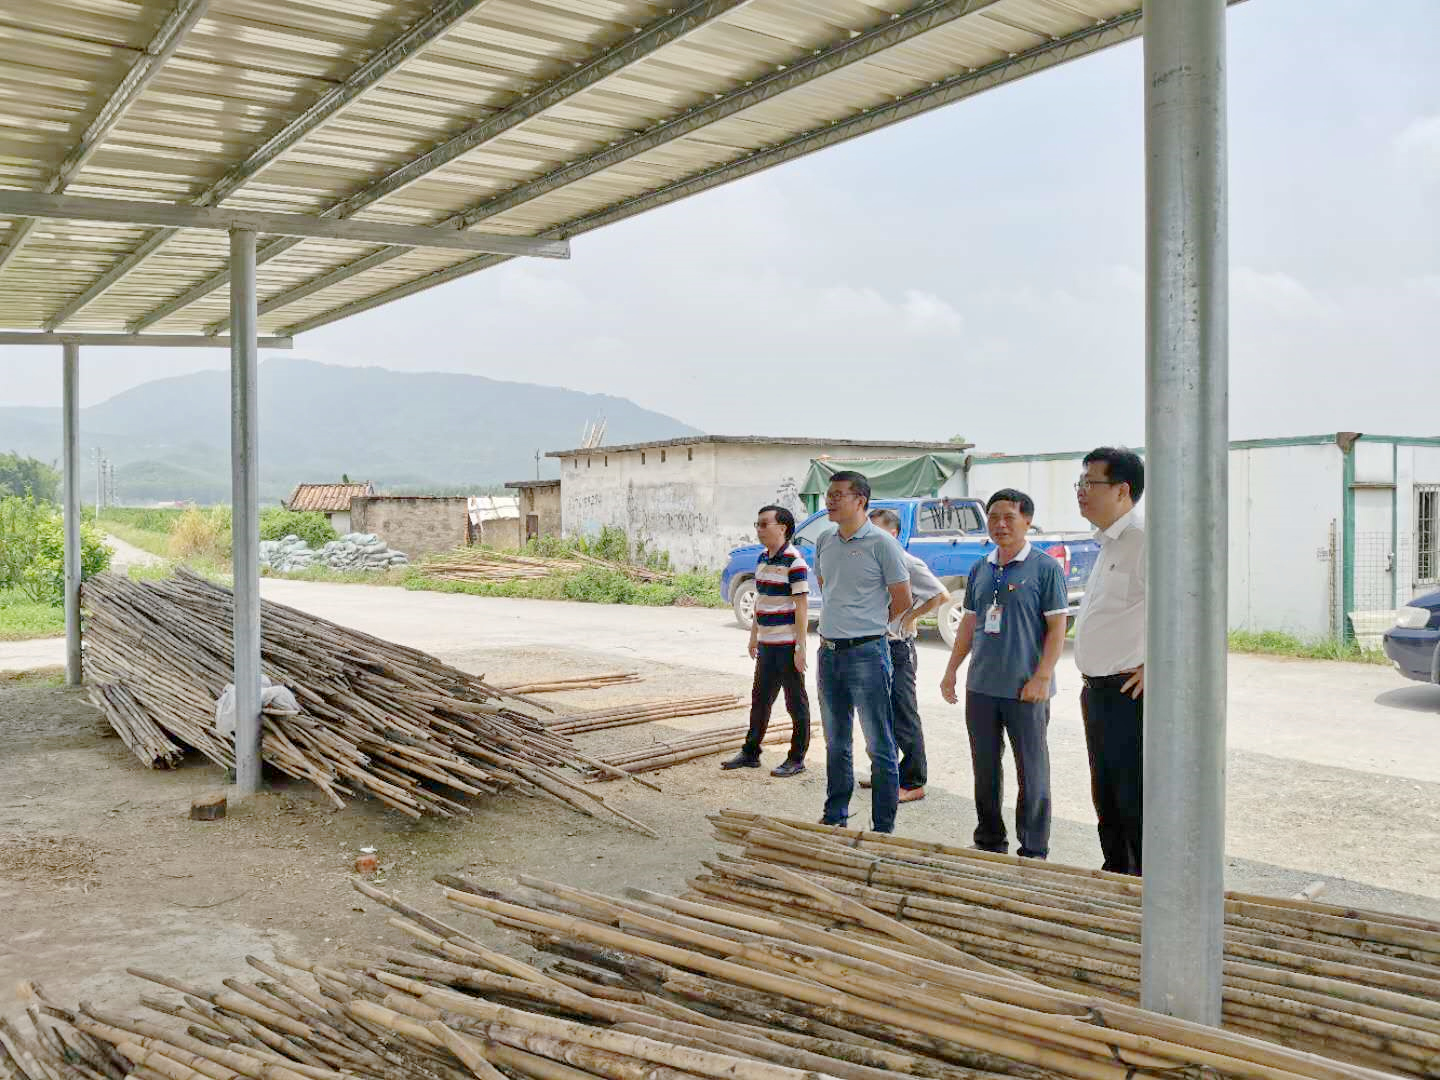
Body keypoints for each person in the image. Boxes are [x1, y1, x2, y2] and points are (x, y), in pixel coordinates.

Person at [940, 489, 1068, 859]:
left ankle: (1034, 848)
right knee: (985, 768)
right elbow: (969, 623)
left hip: (1026, 688)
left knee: (1032, 769)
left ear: (1027, 521)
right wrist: (952, 671)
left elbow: (1057, 628)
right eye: (993, 517)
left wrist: (1043, 676)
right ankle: (990, 840)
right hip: (982, 686)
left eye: (1009, 517)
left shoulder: (1045, 568)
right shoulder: (980, 568)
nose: (1000, 524)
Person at [813, 472, 912, 833]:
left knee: (879, 744)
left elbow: (902, 599)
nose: (830, 501)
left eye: (838, 495)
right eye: (829, 494)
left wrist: (869, 625)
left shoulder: (882, 543)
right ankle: (835, 815)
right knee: (836, 742)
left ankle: (882, 826)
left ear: (860, 500)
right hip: (828, 653)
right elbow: (827, 586)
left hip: (867, 654)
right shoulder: (824, 540)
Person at [1072, 447, 1147, 875]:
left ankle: (1142, 885)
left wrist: (1158, 667)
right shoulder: (1108, 543)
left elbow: (1189, 609)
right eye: (1079, 483)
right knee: (1106, 793)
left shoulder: (1145, 541)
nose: (1081, 491)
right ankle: (1117, 873)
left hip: (1128, 693)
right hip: (1097, 691)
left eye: (1090, 483)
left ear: (1122, 490)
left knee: (1133, 794)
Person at [866, 507, 950, 803]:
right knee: (879, 715)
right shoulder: (872, 562)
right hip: (874, 646)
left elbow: (941, 595)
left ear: (894, 533)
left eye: (876, 530)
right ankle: (887, 773)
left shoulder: (907, 561)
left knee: (903, 714)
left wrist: (910, 617)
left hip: (897, 648)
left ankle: (914, 781)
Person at [723, 505, 810, 776]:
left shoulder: (795, 562)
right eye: (757, 524)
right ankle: (751, 752)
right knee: (760, 700)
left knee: (795, 702)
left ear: (782, 528)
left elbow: (801, 607)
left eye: (764, 524)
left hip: (787, 645)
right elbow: (760, 601)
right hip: (767, 645)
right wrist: (754, 636)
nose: (759, 530)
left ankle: (797, 758)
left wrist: (800, 647)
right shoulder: (762, 558)